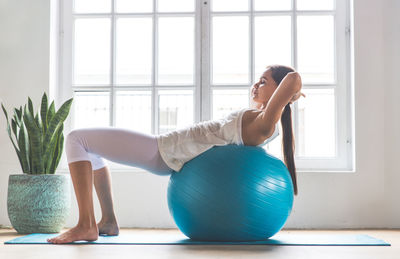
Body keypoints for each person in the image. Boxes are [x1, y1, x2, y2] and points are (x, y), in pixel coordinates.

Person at [47, 64, 304, 244]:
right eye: (257, 79)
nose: (255, 85)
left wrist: (290, 94)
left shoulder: (264, 124)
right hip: (166, 149)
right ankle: (108, 222)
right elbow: (288, 83)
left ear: (280, 91)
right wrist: (285, 94)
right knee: (90, 148)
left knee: (76, 139)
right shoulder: (261, 122)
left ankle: (86, 224)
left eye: (264, 81)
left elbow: (293, 78)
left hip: (162, 150)